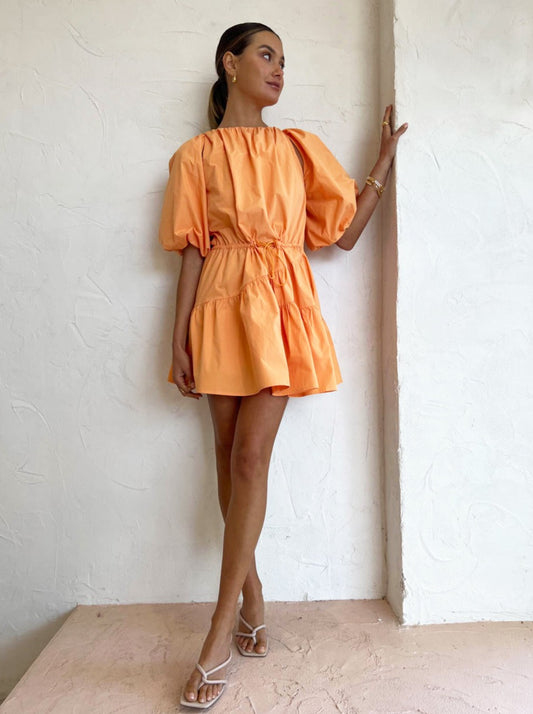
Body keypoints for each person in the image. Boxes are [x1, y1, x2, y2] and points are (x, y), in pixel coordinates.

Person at [158, 21, 408, 710]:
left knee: (249, 460)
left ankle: (218, 631)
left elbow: (343, 234)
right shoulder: (195, 156)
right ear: (229, 64)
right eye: (265, 55)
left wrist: (381, 163)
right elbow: (192, 250)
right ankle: (253, 595)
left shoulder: (298, 149)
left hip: (279, 307)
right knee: (223, 454)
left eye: (284, 61)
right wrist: (177, 339)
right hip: (218, 306)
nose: (277, 69)